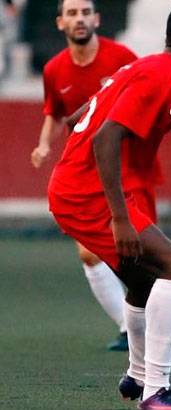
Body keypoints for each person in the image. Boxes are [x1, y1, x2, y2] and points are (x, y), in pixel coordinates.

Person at [48, 2, 171, 410]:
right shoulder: (158, 77)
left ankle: (138, 375)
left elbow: (77, 118)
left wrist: (87, 117)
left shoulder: (145, 69)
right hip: (84, 195)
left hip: (77, 188)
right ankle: (157, 391)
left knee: (141, 277)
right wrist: (120, 217)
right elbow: (105, 139)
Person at [31, 0, 140, 352]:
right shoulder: (54, 70)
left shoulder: (121, 56)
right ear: (60, 22)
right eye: (72, 14)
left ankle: (150, 318)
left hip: (124, 165)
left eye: (85, 12)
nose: (79, 19)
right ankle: (128, 327)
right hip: (82, 169)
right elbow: (54, 112)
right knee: (90, 254)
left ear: (97, 18)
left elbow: (146, 95)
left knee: (134, 247)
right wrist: (44, 144)